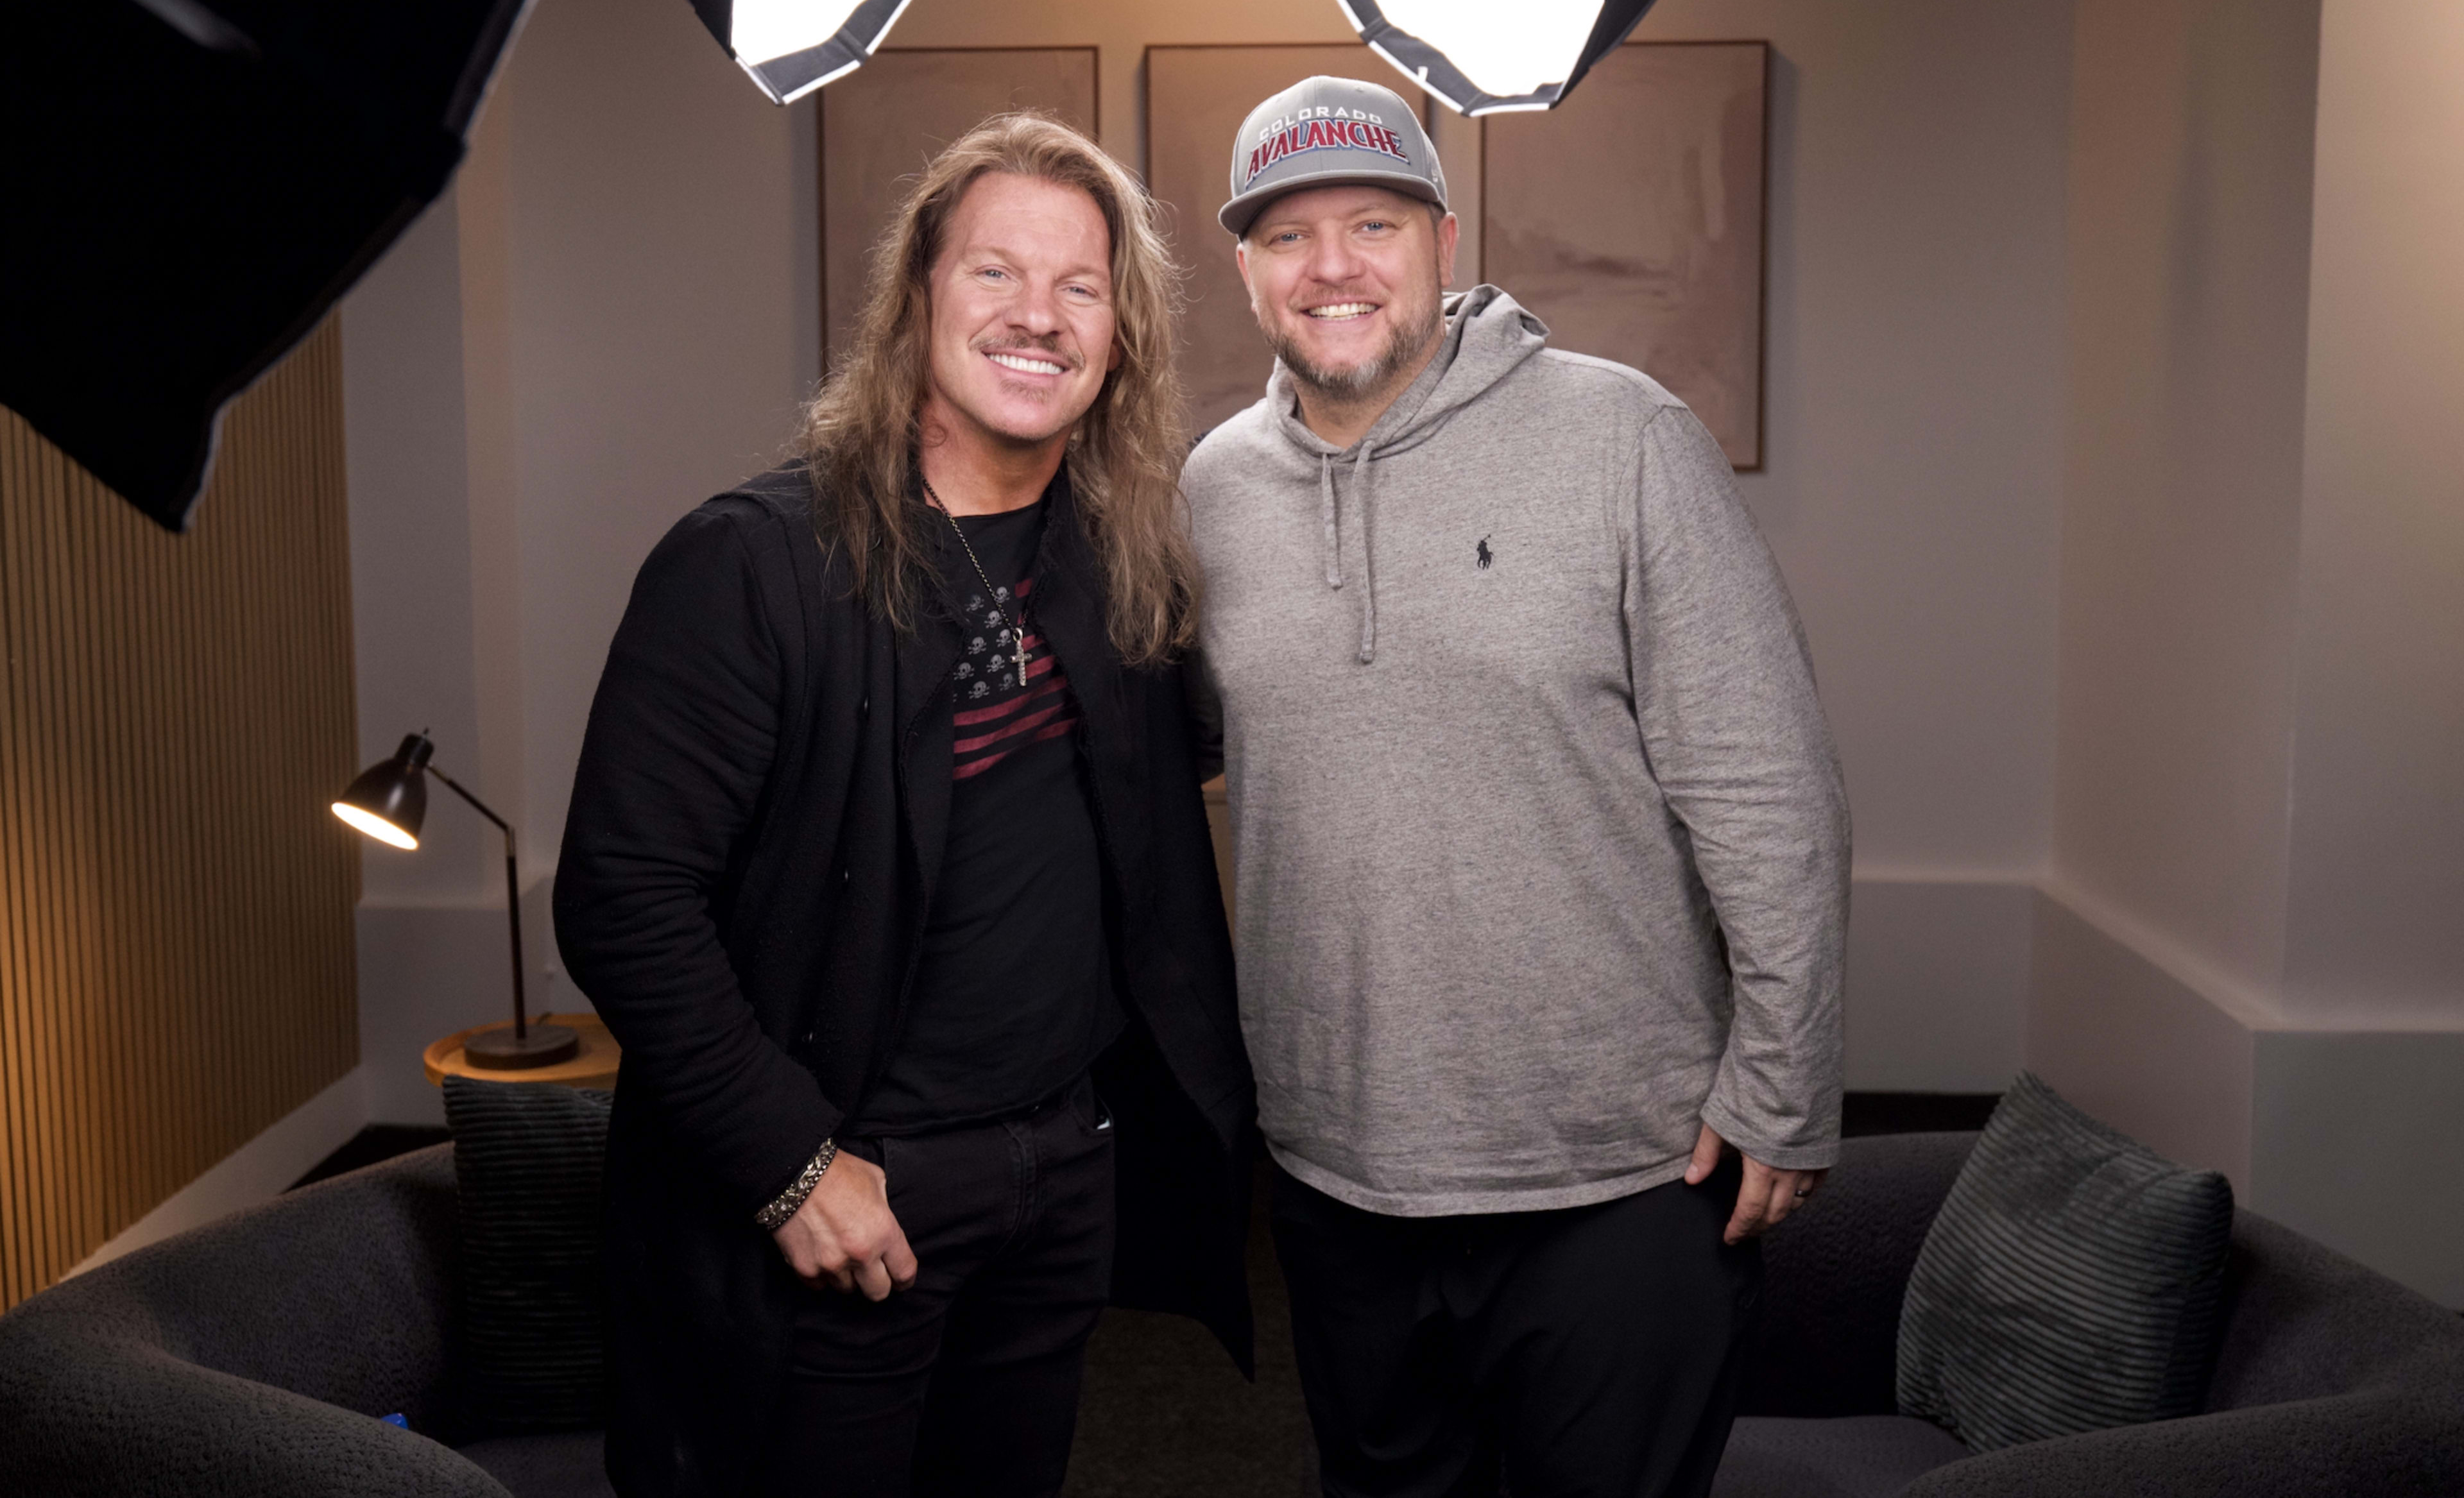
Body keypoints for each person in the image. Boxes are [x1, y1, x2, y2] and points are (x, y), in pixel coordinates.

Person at [555, 112, 1254, 1498]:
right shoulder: (751, 566)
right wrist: (796, 1168)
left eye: (1079, 286)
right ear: (919, 299)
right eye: (995, 272)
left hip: (1057, 1174)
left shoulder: (1122, 567)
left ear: (1119, 334)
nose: (1038, 317)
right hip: (845, 1188)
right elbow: (622, 901)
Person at [1181, 75, 1850, 1498]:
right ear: (1244, 268)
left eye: (1372, 222)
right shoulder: (1211, 491)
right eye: (1288, 236)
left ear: (1442, 232)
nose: (1334, 267)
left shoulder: (1622, 438)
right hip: (1336, 1172)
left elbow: (1765, 782)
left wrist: (1785, 1083)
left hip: (1622, 1175)